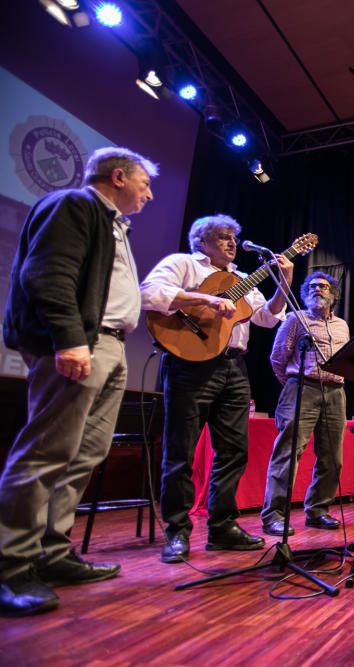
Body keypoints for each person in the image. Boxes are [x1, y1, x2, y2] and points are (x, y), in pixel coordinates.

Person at [0, 147, 156, 616]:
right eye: (144, 184)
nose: (149, 195)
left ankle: (52, 552)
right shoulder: (74, 204)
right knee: (46, 452)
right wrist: (69, 339)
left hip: (108, 346)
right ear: (118, 176)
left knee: (83, 454)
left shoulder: (113, 224)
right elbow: (48, 275)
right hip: (78, 345)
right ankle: (11, 565)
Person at [141, 214, 293, 564]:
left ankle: (222, 527)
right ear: (202, 241)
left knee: (234, 451)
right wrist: (205, 301)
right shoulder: (182, 263)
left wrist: (284, 281)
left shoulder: (241, 278)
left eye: (234, 238)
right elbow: (150, 293)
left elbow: (267, 318)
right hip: (189, 364)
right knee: (180, 451)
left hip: (233, 367)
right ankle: (177, 533)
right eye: (223, 237)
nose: (231, 244)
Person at [260, 272, 349, 535]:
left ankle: (318, 510)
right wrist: (294, 385)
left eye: (323, 286)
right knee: (288, 454)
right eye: (311, 287)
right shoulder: (295, 319)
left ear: (333, 293)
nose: (317, 290)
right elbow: (277, 359)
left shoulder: (342, 325)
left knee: (332, 458)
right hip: (301, 388)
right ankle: (274, 515)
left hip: (335, 392)